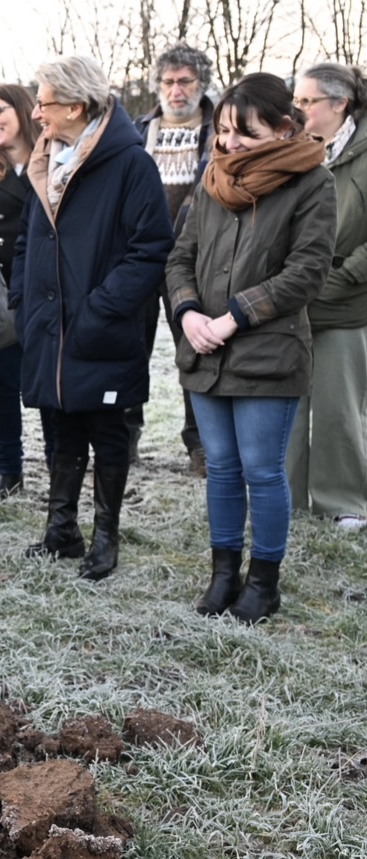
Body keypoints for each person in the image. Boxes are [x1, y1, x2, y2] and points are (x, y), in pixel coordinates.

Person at [167, 73, 335, 622]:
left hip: (269, 351)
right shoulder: (212, 178)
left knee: (262, 469)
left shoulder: (312, 183)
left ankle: (264, 582)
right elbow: (180, 257)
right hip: (206, 351)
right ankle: (223, 575)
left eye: (246, 132)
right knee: (221, 467)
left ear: (285, 129)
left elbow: (307, 272)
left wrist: (236, 315)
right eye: (222, 131)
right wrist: (189, 310)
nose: (230, 143)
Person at [10, 55, 174, 580]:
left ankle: (105, 538)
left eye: (45, 102)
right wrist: (23, 297)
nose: (36, 113)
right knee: (60, 423)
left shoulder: (131, 165)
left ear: (77, 107)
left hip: (101, 325)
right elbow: (25, 241)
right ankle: (62, 530)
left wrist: (102, 308)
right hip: (50, 324)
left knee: (106, 430)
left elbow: (151, 249)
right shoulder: (46, 162)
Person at [286, 63, 367, 530]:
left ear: (340, 104)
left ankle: (343, 501)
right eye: (295, 101)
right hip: (293, 301)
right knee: (287, 406)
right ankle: (288, 498)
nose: (298, 110)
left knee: (339, 407)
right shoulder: (292, 151)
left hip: (346, 302)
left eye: (307, 102)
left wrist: (347, 276)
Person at [129, 44, 216, 473]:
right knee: (130, 348)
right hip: (140, 256)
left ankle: (200, 445)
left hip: (194, 259)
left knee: (193, 350)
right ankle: (125, 438)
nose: (176, 90)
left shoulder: (220, 131)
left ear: (202, 84)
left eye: (185, 81)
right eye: (168, 81)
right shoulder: (138, 129)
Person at [0, 83, 54, 499]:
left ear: (24, 111)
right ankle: (9, 470)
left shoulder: (55, 162)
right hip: (1, 296)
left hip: (48, 294)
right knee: (1, 384)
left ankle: (60, 464)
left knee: (52, 388)